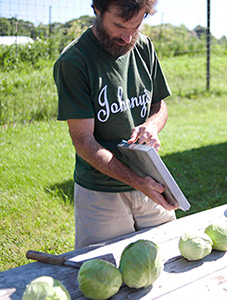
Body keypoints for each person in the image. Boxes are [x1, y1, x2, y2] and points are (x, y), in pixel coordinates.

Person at [53, 0, 177, 249]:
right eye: (120, 25)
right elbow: (84, 142)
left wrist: (152, 126)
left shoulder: (143, 46)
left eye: (137, 24)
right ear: (97, 10)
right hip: (101, 192)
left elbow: (159, 106)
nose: (128, 36)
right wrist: (136, 181)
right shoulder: (74, 61)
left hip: (150, 181)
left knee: (169, 257)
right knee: (103, 274)